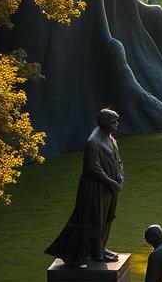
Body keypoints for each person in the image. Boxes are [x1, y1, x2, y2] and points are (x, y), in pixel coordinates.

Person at [45, 109, 124, 267]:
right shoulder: (93, 143)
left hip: (110, 188)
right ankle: (88, 252)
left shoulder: (111, 139)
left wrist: (120, 178)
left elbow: (118, 161)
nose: (116, 125)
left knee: (108, 218)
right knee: (94, 220)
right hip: (94, 189)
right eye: (113, 122)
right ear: (103, 123)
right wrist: (110, 182)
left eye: (116, 121)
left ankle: (100, 248)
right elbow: (93, 169)